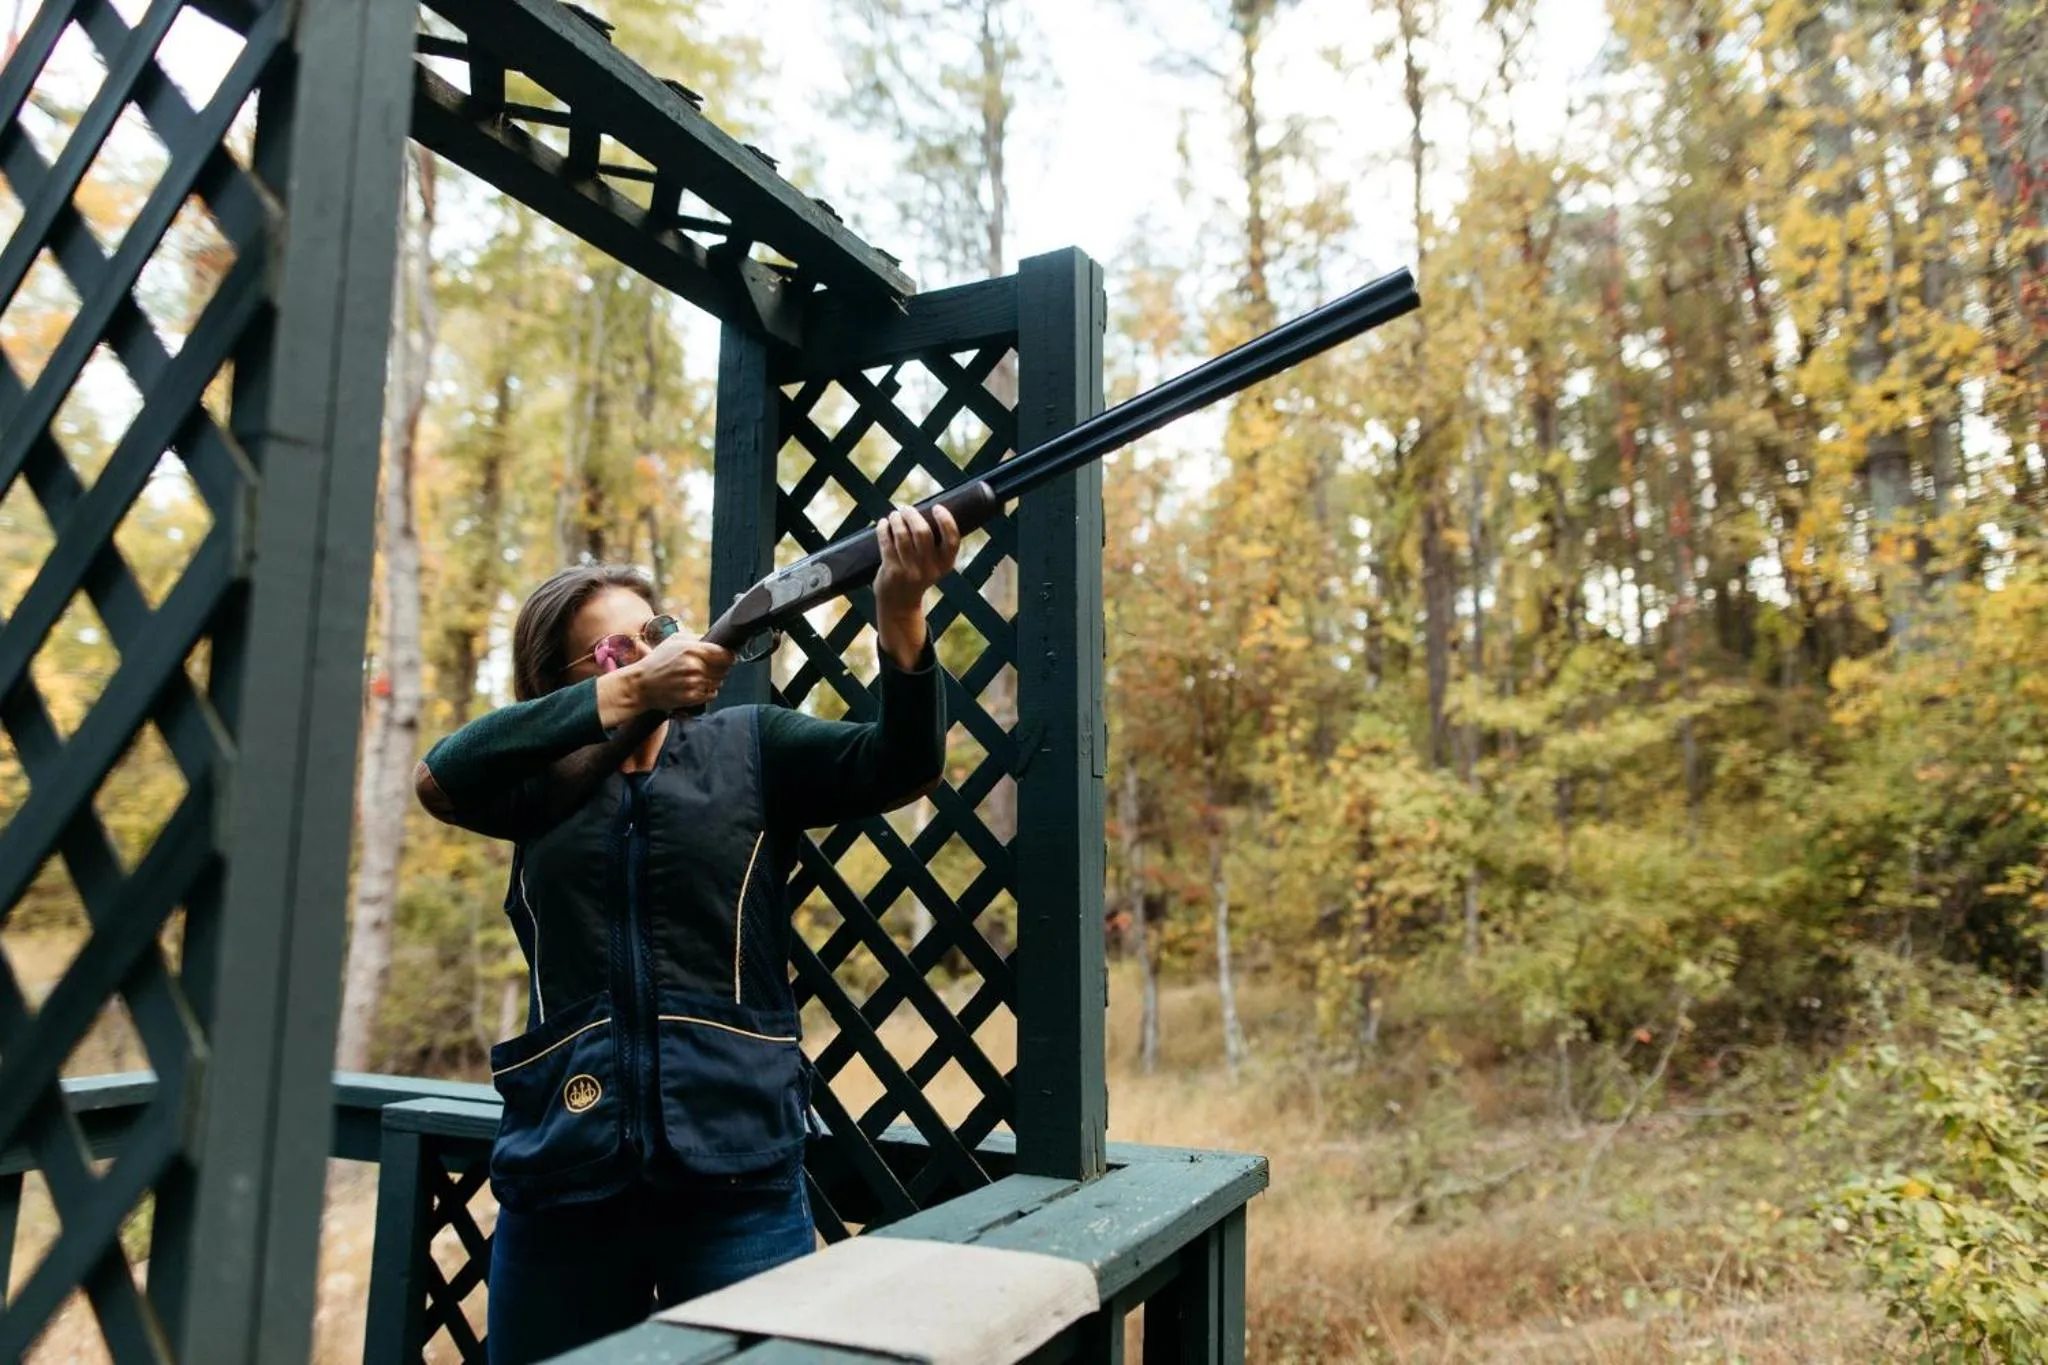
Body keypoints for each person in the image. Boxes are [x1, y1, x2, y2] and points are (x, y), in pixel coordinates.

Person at [413, 507, 961, 1365]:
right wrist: (632, 691)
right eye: (616, 649)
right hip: (565, 1170)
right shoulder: (529, 786)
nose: (655, 651)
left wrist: (899, 610)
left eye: (658, 631)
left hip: (738, 1168)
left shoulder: (751, 745)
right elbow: (439, 776)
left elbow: (903, 762)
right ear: (561, 686)